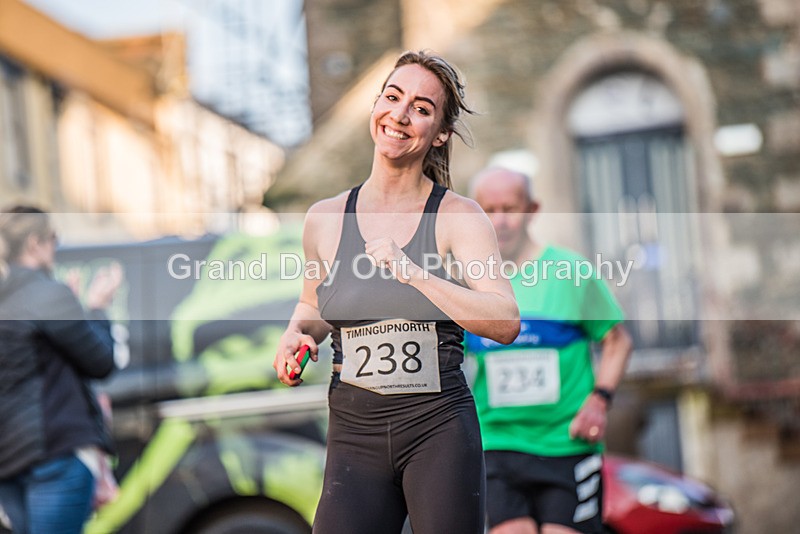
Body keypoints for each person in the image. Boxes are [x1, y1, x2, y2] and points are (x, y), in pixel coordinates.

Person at [273, 50, 520, 534]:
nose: (400, 115)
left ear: (440, 133)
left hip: (438, 430)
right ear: (376, 105)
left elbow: (505, 319)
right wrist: (297, 333)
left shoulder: (457, 217)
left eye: (422, 108)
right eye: (392, 97)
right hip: (353, 433)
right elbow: (314, 304)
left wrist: (414, 273)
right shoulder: (324, 218)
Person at [467, 166, 633, 534]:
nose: (500, 221)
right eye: (488, 210)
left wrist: (600, 400)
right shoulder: (468, 281)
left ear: (533, 209)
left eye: (510, 208)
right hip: (497, 444)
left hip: (566, 445)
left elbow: (617, 341)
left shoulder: (570, 271)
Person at [0, 206, 122, 534]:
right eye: (53, 239)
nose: (55, 247)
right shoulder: (48, 294)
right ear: (34, 244)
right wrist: (96, 308)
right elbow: (101, 362)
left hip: (7, 461)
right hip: (55, 454)